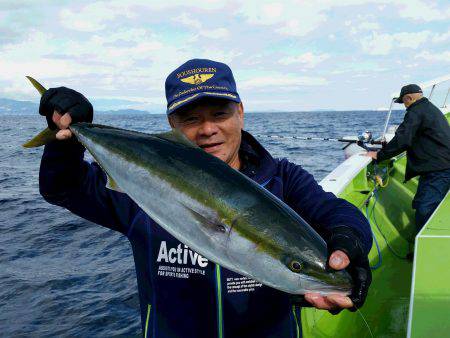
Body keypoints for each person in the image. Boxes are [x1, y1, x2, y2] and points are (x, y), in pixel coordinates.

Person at [39, 59, 372, 337]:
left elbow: (335, 211)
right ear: (172, 123)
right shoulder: (137, 186)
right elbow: (62, 187)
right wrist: (65, 141)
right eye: (191, 119)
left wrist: (349, 241)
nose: (208, 129)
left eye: (220, 114)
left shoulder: (282, 178)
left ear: (240, 112)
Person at [366, 84, 450, 230]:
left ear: (409, 98)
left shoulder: (415, 111)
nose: (405, 106)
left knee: (425, 209)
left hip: (438, 170)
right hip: (438, 166)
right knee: (423, 204)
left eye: (404, 102)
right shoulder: (430, 109)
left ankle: (425, 248)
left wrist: (379, 155)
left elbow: (402, 139)